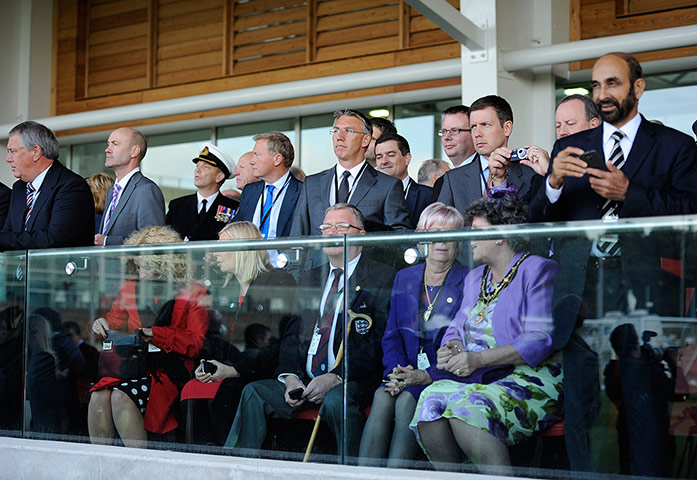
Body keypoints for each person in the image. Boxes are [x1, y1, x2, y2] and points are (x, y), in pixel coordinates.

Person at [225, 204, 395, 459]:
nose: (331, 232)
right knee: (255, 392)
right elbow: (292, 333)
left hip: (349, 380)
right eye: (326, 228)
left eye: (341, 226)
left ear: (361, 235)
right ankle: (234, 470)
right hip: (304, 379)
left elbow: (377, 341)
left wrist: (336, 376)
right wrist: (290, 376)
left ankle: (350, 474)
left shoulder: (382, 277)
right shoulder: (310, 278)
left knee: (338, 401)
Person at [410, 193, 562, 472]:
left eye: (477, 232)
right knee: (429, 402)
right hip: (479, 375)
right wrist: (453, 346)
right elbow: (457, 326)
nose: (471, 240)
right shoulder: (476, 276)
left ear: (500, 235)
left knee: (466, 409)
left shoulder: (537, 269)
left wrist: (478, 360)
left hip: (527, 377)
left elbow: (539, 340)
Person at [358, 202, 468, 468]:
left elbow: (462, 345)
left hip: (442, 376)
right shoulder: (405, 277)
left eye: (450, 234)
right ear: (421, 239)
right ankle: (361, 475)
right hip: (405, 371)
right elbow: (392, 334)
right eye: (434, 232)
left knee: (408, 399)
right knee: (383, 397)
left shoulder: (469, 279)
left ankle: (396, 475)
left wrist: (422, 375)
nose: (441, 241)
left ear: (459, 242)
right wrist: (397, 371)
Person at [88, 226, 208, 447]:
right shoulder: (130, 288)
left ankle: (139, 465)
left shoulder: (194, 292)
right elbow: (114, 322)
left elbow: (196, 343)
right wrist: (99, 324)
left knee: (120, 396)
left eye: (143, 267)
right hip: (132, 364)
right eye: (136, 266)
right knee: (98, 396)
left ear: (161, 267)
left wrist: (157, 335)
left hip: (169, 369)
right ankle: (102, 465)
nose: (139, 272)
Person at [181, 221, 296, 446]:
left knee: (226, 393)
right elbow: (216, 340)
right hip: (231, 370)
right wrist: (207, 365)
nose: (216, 253)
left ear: (243, 249)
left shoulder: (279, 280)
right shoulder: (227, 288)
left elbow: (277, 345)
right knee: (191, 388)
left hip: (261, 374)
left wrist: (233, 370)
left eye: (222, 246)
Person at [290, 109, 411, 257]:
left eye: (348, 131)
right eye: (336, 131)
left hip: (365, 275)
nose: (339, 137)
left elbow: (400, 239)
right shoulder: (312, 183)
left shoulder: (388, 186)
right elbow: (297, 238)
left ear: (365, 140)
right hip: (318, 275)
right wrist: (296, 277)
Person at [0, 121, 94, 250]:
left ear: (36, 152)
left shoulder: (72, 187)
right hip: (21, 269)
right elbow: (8, 234)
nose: (8, 159)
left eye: (12, 151)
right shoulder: (19, 188)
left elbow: (53, 239)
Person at [438, 96, 537, 216]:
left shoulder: (531, 175)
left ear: (507, 128)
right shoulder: (453, 180)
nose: (477, 134)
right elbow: (441, 229)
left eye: (485, 125)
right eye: (473, 127)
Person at [95, 127, 166, 246]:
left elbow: (153, 241)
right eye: (108, 144)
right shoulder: (112, 190)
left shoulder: (146, 189)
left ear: (134, 151)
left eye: (115, 144)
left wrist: (107, 241)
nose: (107, 149)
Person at [232, 133, 302, 241]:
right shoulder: (250, 191)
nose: (252, 161)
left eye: (257, 155)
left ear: (277, 159)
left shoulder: (303, 192)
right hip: (250, 257)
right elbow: (235, 229)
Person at [166, 143, 239, 241]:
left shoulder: (233, 207)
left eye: (205, 167)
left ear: (219, 177)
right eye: (197, 166)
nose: (197, 170)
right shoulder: (177, 205)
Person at [375, 133, 433, 227]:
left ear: (407, 158)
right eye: (379, 157)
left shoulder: (429, 195)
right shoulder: (370, 195)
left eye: (391, 155)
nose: (384, 161)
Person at [430, 105, 475, 201]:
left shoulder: (488, 172)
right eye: (444, 131)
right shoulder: (441, 182)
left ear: (473, 133)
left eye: (454, 131)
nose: (446, 137)